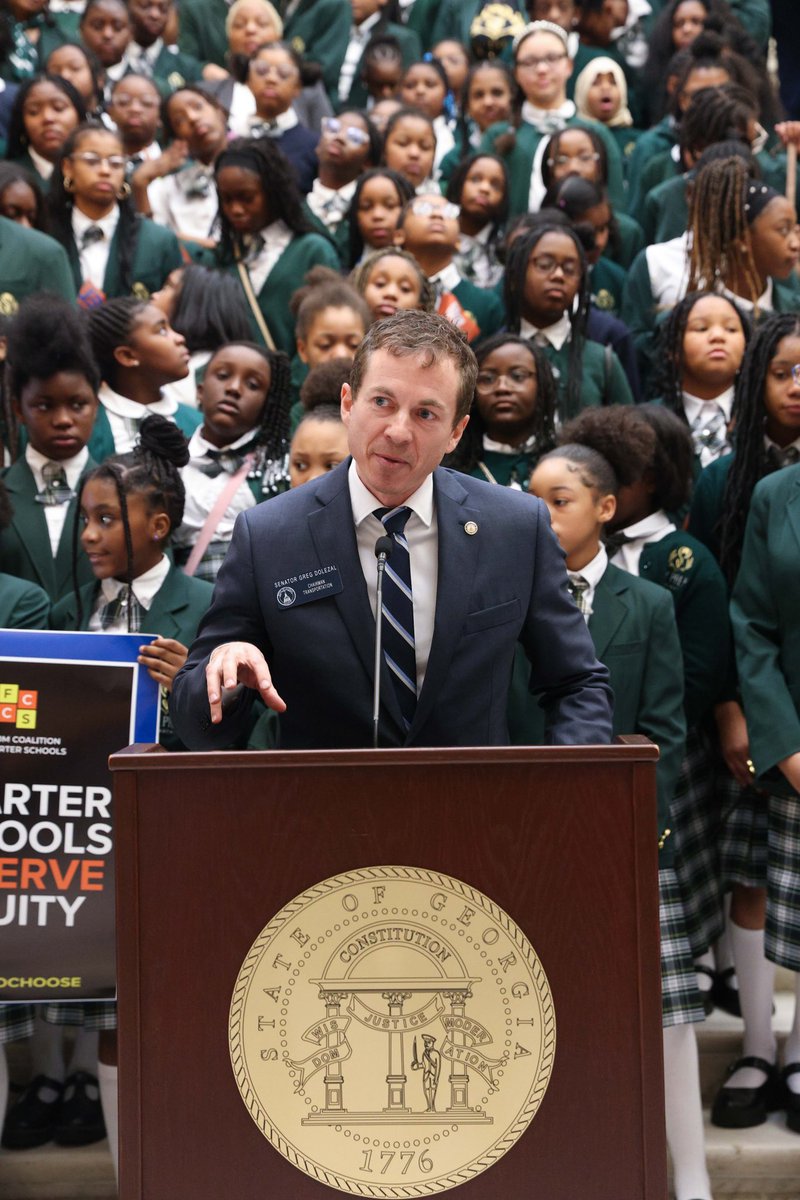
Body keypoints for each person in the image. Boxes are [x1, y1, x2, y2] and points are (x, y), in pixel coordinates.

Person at [169, 309, 613, 752]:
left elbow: (577, 683)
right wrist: (224, 676)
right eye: (382, 402)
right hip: (325, 811)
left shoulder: (515, 528)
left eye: (425, 414)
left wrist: (566, 791)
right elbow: (196, 725)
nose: (398, 432)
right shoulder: (268, 535)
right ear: (348, 403)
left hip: (474, 810)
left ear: (456, 431)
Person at [730, 461, 800, 1136]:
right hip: (788, 738)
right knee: (758, 888)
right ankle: (757, 1045)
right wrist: (785, 745)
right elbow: (752, 623)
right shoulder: (776, 493)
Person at [0, 294, 98, 602]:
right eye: (44, 406)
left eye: (78, 404)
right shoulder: (2, 489)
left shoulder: (128, 495)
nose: (63, 420)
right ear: (18, 409)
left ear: (96, 404)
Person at [174, 340, 292, 581]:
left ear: (266, 404)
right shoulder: (170, 463)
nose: (234, 388)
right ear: (199, 390)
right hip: (183, 606)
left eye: (252, 384)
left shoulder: (278, 467)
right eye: (223, 375)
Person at [48, 123, 183, 307]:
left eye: (116, 163)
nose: (105, 170)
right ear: (67, 167)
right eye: (92, 160)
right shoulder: (45, 234)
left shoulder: (159, 240)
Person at [84, 296, 201, 459]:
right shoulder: (88, 425)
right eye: (162, 330)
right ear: (127, 356)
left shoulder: (196, 423)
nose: (180, 338)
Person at [445, 332, 558, 489]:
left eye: (517, 376)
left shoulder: (562, 461)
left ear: (542, 386)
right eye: (488, 379)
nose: (502, 388)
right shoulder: (448, 470)